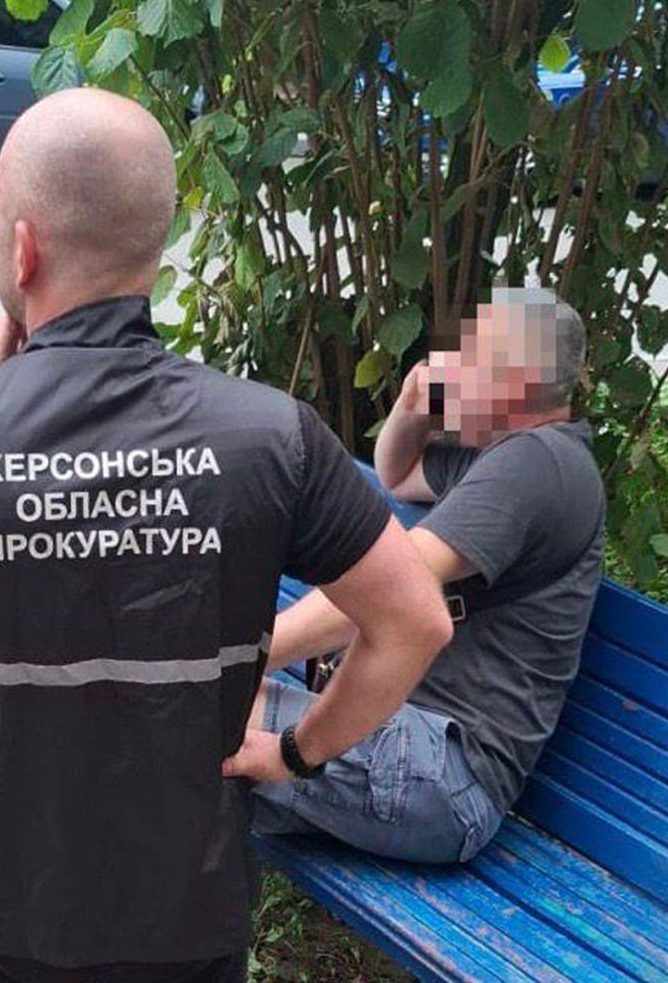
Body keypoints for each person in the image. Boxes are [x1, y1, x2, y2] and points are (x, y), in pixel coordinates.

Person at [0, 87, 453, 983]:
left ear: (24, 249)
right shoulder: (269, 436)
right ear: (151, 242)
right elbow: (415, 621)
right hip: (182, 901)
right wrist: (297, 754)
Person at [252, 287, 606, 865]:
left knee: (182, 707)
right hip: (402, 748)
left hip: (444, 772)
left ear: (514, 380)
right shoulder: (500, 451)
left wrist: (239, 656)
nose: (450, 361)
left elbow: (389, 591)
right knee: (171, 759)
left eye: (470, 354)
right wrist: (416, 405)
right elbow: (399, 475)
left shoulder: (538, 464)